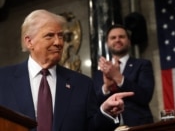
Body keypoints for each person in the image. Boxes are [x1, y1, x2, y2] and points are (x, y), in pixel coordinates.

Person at [0, 9, 134, 131]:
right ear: (29, 42)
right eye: (49, 36)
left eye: (60, 36)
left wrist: (105, 113)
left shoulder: (82, 84)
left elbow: (91, 128)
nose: (58, 42)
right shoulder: (3, 80)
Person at [93, 24, 155, 126]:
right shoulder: (99, 73)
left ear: (129, 41)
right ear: (107, 43)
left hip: (139, 125)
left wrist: (119, 78)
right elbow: (94, 104)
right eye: (113, 38)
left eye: (121, 37)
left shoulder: (143, 65)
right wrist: (106, 88)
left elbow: (145, 96)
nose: (117, 40)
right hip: (109, 127)